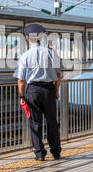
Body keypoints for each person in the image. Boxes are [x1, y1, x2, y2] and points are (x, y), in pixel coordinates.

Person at [13, 23, 62, 161]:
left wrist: (22, 96)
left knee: (35, 122)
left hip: (33, 91)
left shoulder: (25, 56)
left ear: (27, 38)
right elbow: (58, 75)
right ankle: (56, 151)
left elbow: (21, 80)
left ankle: (40, 154)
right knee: (52, 121)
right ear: (41, 38)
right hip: (49, 90)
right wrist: (57, 91)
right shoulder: (52, 53)